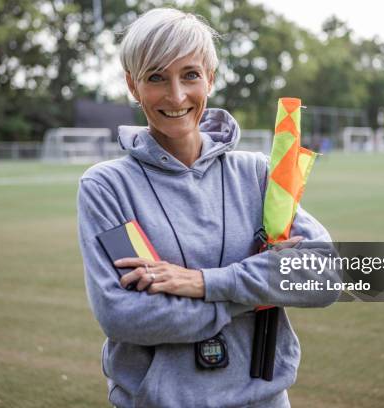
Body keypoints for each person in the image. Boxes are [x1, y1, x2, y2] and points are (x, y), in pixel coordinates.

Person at [77, 8, 341, 408]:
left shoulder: (254, 174)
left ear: (211, 78)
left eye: (190, 75)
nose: (176, 95)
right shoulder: (107, 187)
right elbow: (125, 314)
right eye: (155, 77)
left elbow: (327, 277)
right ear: (133, 85)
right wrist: (258, 289)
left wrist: (203, 283)